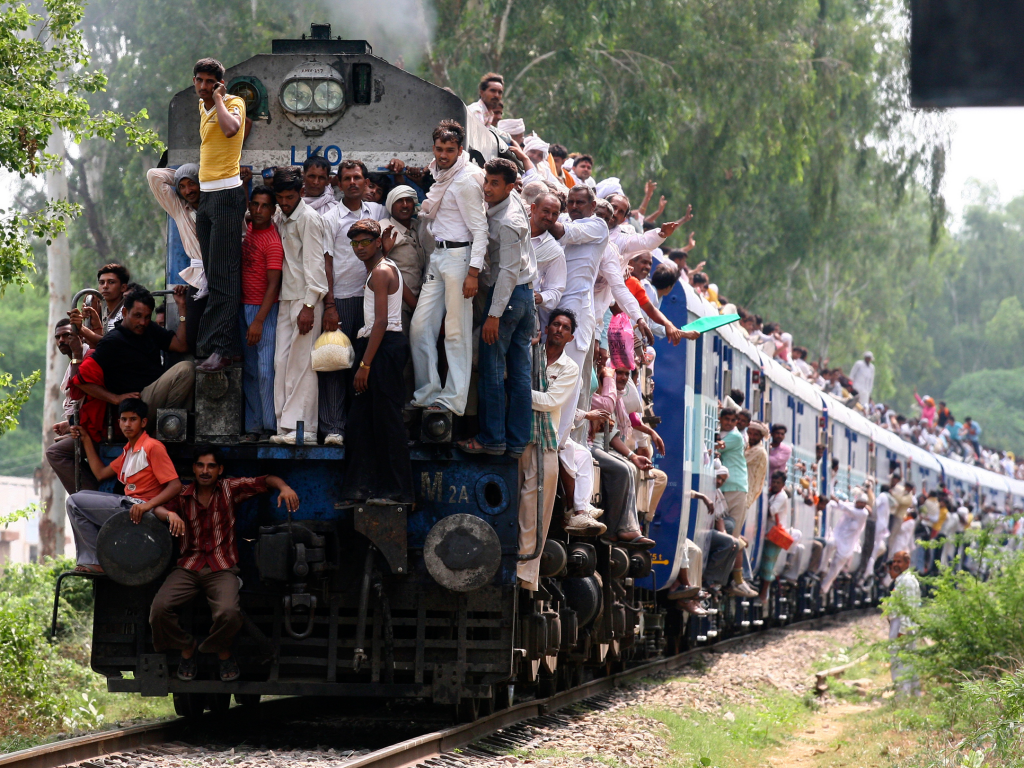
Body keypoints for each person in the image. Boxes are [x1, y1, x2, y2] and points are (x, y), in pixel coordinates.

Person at [149, 446, 300, 683]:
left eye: (211, 466)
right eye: (200, 465)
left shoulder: (230, 489)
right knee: (159, 610)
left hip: (222, 568)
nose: (205, 471)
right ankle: (187, 646)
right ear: (194, 468)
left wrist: (284, 487)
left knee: (229, 612)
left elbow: (265, 480)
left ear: (220, 470)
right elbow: (156, 506)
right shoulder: (182, 494)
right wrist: (171, 515)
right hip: (188, 567)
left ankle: (219, 648)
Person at [456, 159, 535, 457]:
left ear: (510, 187)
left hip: (510, 298)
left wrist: (493, 315)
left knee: (492, 369)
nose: (487, 189)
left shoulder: (508, 221)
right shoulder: (511, 198)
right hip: (524, 297)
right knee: (518, 374)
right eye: (486, 181)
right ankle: (515, 443)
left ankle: (492, 439)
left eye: (494, 183)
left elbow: (508, 273)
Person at [408, 120, 487, 417]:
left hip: (459, 258)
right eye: (439, 149)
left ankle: (453, 399)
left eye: (450, 150)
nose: (443, 155)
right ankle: (427, 392)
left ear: (460, 150)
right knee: (419, 327)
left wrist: (473, 273)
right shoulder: (440, 175)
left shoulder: (466, 180)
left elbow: (480, 231)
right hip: (439, 256)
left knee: (456, 332)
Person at [338, 220, 414, 503]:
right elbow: (409, 301)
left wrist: (365, 365)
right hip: (379, 346)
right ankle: (362, 489)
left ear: (377, 242)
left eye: (365, 242)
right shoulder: (385, 268)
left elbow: (381, 321)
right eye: (355, 243)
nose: (360, 248)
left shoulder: (381, 272)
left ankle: (398, 491)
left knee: (388, 421)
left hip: (383, 348)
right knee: (362, 421)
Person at [65, 399, 182, 572]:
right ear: (118, 422)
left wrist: (148, 506)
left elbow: (175, 485)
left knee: (74, 502)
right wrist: (86, 439)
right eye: (124, 419)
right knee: (77, 500)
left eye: (133, 419)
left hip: (142, 510)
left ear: (143, 422)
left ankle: (96, 561)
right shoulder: (129, 450)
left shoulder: (152, 447)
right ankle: (97, 559)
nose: (127, 424)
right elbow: (100, 473)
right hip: (130, 505)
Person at [319, 160, 388, 445]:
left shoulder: (379, 213)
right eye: (346, 178)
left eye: (357, 177)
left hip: (373, 299)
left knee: (368, 364)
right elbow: (326, 262)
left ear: (365, 181)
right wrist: (330, 304)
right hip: (343, 299)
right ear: (338, 182)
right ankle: (334, 428)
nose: (352, 183)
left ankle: (365, 427)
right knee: (337, 362)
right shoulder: (330, 217)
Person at [519, 310, 589, 588]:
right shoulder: (530, 353)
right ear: (547, 328)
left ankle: (524, 574)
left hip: (545, 441)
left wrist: (517, 390)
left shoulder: (570, 368)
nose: (559, 329)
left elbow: (550, 401)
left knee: (536, 511)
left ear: (571, 337)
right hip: (518, 436)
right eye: (556, 324)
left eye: (565, 327)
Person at [192, 58, 248, 373]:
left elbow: (231, 130)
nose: (203, 87)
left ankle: (222, 351)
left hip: (227, 195)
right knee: (214, 276)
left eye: (210, 82)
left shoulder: (232, 102)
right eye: (199, 81)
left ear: (219, 84)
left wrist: (219, 98)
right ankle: (219, 346)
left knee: (225, 276)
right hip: (207, 196)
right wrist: (210, 102)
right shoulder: (202, 107)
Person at [74, 286, 194, 425]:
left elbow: (181, 345)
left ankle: (168, 426)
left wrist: (182, 307)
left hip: (153, 397)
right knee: (185, 369)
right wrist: (115, 398)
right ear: (125, 312)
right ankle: (165, 425)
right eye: (137, 316)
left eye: (147, 317)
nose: (142, 322)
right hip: (135, 406)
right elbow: (80, 380)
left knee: (191, 372)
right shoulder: (114, 340)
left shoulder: (149, 329)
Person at [546, 185, 610, 442]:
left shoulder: (597, 226)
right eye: (570, 202)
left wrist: (542, 215)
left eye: (580, 202)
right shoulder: (561, 219)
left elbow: (561, 231)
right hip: (550, 305)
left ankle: (561, 443)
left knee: (569, 377)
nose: (573, 207)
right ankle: (548, 435)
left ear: (593, 207)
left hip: (577, 310)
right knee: (546, 373)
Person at [270, 166, 328, 444]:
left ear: (301, 193)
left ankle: (304, 431)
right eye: (280, 197)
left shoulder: (310, 219)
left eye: (289, 197)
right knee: (282, 363)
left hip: (306, 300)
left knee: (303, 366)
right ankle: (284, 427)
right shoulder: (281, 216)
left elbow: (317, 265)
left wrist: (309, 305)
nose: (284, 201)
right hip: (286, 298)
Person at [589, 364, 655, 548]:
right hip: (586, 445)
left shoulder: (615, 399)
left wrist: (633, 456)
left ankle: (627, 527)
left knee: (630, 467)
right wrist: (609, 379)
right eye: (618, 373)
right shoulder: (599, 396)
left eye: (627, 374)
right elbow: (606, 409)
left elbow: (610, 436)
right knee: (621, 470)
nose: (623, 378)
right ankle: (611, 531)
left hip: (599, 446)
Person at [239, 186, 283, 442]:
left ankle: (269, 427)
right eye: (254, 204)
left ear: (273, 211)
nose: (257, 210)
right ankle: (253, 427)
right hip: (244, 306)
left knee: (266, 370)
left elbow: (274, 286)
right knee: (251, 370)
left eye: (264, 206)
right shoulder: (251, 229)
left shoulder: (273, 243)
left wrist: (258, 321)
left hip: (264, 311)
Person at [147, 165, 207, 349]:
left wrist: (203, 178)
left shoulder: (215, 205)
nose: (188, 191)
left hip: (222, 277)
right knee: (193, 337)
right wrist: (181, 175)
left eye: (192, 184)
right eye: (182, 186)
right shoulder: (179, 209)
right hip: (198, 280)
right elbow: (154, 175)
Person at [44, 320, 92, 493]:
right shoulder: (74, 360)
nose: (61, 340)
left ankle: (88, 495)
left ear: (80, 337)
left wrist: (78, 353)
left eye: (67, 335)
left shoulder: (87, 357)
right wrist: (69, 424)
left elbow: (79, 392)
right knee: (58, 445)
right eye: (58, 337)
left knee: (54, 453)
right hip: (80, 426)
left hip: (92, 429)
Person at [379, 185, 431, 336]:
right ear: (390, 205)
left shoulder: (418, 227)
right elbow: (379, 268)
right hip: (397, 305)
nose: (405, 205)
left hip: (421, 301)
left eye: (409, 200)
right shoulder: (385, 228)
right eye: (399, 201)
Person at [718, 408, 756, 596]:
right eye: (727, 419)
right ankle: (734, 578)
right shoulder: (726, 432)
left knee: (733, 536)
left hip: (736, 487)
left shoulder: (735, 437)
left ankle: (736, 579)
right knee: (727, 534)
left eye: (734, 420)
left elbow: (717, 447)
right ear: (721, 419)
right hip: (725, 486)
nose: (730, 423)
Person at [691, 462, 744, 595]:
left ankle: (716, 582)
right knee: (729, 542)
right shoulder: (706, 488)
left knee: (734, 544)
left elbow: (719, 517)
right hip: (702, 531)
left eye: (723, 480)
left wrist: (727, 535)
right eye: (718, 477)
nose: (720, 481)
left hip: (709, 531)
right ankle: (706, 579)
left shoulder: (717, 492)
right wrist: (727, 537)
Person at [523, 188, 565, 333]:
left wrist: (539, 297)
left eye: (554, 214)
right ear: (533, 208)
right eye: (545, 211)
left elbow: (556, 290)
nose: (549, 217)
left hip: (523, 311)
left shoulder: (554, 250)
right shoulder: (514, 229)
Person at [820, 485, 873, 593]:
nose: (862, 505)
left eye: (864, 503)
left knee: (836, 567)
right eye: (860, 502)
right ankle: (822, 568)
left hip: (847, 545)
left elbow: (844, 508)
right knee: (829, 544)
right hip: (837, 536)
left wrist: (835, 499)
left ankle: (823, 588)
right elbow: (837, 505)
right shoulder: (852, 506)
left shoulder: (863, 513)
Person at [68, 263, 132, 346]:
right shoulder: (98, 310)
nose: (105, 286)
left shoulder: (128, 312)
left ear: (123, 287)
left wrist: (82, 329)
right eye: (102, 283)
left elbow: (112, 344)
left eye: (111, 282)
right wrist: (89, 320)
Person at [886, 551, 921, 696]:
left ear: (907, 563)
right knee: (908, 663)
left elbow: (907, 607)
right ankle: (913, 694)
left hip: (902, 625)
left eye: (899, 562)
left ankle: (902, 697)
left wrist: (902, 631)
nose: (895, 564)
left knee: (899, 663)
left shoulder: (906, 581)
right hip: (903, 625)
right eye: (894, 561)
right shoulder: (904, 580)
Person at [759, 470, 791, 604]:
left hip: (775, 535)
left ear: (783, 484)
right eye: (774, 481)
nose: (776, 484)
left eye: (778, 482)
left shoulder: (781, 496)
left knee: (768, 565)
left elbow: (771, 511)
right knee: (765, 564)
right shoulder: (773, 493)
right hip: (768, 534)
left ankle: (763, 595)